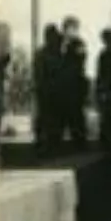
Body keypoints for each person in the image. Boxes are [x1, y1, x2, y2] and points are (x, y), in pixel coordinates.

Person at [58, 17, 89, 151]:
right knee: (61, 116)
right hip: (62, 86)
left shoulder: (79, 43)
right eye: (69, 28)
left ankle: (79, 143)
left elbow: (80, 59)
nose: (72, 31)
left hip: (75, 85)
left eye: (74, 28)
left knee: (76, 116)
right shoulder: (59, 43)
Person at [33, 25, 62, 153]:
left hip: (52, 91)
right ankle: (43, 143)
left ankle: (49, 144)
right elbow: (40, 74)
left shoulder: (51, 53)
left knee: (51, 118)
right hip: (47, 91)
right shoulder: (44, 54)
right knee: (45, 118)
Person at [95, 29, 111, 151]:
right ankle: (106, 142)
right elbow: (104, 75)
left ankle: (107, 140)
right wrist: (104, 91)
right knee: (107, 117)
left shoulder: (109, 55)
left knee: (108, 116)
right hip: (107, 91)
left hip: (109, 91)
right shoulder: (106, 55)